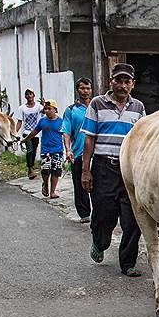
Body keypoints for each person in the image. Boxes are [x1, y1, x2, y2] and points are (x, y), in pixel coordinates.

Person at [81, 63, 146, 277]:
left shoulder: (139, 108)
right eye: (119, 80)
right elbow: (89, 139)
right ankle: (100, 242)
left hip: (129, 170)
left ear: (132, 85)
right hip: (103, 167)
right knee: (103, 214)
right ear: (111, 82)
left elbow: (143, 141)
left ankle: (128, 263)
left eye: (127, 81)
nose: (122, 85)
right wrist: (86, 170)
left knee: (133, 218)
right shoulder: (97, 104)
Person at [62, 77, 93, 222]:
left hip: (96, 153)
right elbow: (66, 132)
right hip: (78, 153)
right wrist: (68, 150)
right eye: (82, 88)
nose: (85, 91)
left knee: (98, 185)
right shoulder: (70, 110)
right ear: (77, 90)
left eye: (88, 88)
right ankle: (84, 213)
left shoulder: (96, 107)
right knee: (79, 184)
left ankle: (99, 212)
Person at [21, 100, 65, 199]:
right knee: (45, 171)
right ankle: (45, 184)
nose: (47, 111)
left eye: (50, 109)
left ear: (55, 110)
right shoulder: (42, 121)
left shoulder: (61, 122)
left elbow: (66, 135)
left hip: (58, 150)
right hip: (46, 150)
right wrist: (25, 139)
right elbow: (34, 132)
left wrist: (69, 147)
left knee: (56, 171)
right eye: (46, 109)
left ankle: (52, 192)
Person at [15, 88, 43, 180]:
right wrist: (15, 132)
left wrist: (45, 104)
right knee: (29, 150)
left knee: (34, 151)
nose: (29, 96)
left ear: (34, 95)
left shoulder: (39, 106)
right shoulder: (22, 108)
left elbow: (46, 112)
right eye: (27, 94)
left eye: (30, 94)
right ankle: (30, 169)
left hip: (36, 132)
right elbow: (19, 121)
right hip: (26, 133)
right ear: (25, 96)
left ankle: (31, 167)